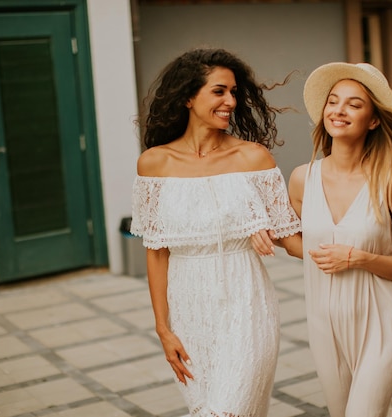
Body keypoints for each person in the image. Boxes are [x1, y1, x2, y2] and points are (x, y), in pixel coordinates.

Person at [252, 62, 392, 417]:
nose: (339, 111)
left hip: (382, 324)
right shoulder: (301, 179)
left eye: (354, 104)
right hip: (325, 326)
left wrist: (358, 258)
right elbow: (301, 245)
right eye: (333, 101)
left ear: (373, 120)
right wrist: (266, 229)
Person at [130, 48, 302, 416]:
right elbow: (156, 251)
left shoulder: (254, 158)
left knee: (227, 410)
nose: (231, 101)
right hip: (189, 309)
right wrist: (163, 328)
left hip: (247, 302)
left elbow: (290, 237)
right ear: (189, 97)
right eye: (219, 91)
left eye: (234, 92)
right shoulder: (153, 164)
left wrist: (354, 243)